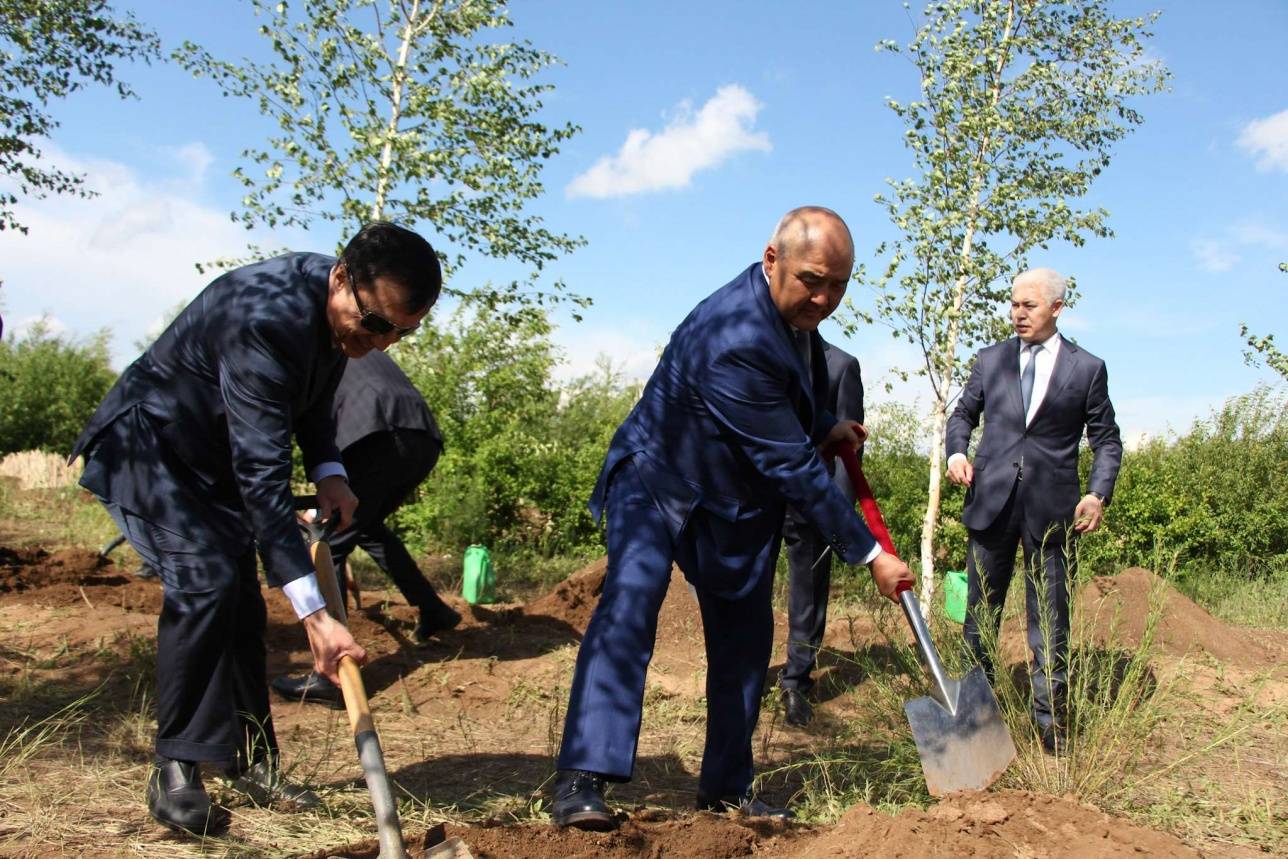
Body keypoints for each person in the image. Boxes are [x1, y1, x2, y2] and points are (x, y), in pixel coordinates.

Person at [69, 222, 441, 836]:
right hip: (151, 448)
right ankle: (177, 768)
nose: (383, 344)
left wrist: (329, 471)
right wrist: (315, 616)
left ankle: (250, 761)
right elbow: (261, 475)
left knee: (239, 599)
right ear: (342, 279)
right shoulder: (264, 318)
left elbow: (314, 397)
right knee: (206, 582)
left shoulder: (335, 308)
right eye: (377, 325)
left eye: (403, 332)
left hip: (208, 460)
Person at [549, 207, 914, 830]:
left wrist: (824, 423)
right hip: (657, 479)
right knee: (631, 605)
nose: (824, 299)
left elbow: (789, 394)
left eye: (838, 286)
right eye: (812, 280)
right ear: (771, 260)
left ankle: (723, 792)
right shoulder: (735, 336)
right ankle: (582, 781)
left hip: (732, 497)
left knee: (745, 639)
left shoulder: (789, 315)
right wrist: (871, 553)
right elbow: (794, 469)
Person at [945, 267, 1122, 753]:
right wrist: (956, 452)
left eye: (1029, 305)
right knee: (979, 615)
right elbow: (962, 414)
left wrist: (1097, 493)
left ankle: (1050, 722)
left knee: (1050, 619)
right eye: (1014, 304)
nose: (1017, 313)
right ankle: (973, 719)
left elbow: (1106, 439)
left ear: (1057, 308)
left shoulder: (1086, 368)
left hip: (1053, 510)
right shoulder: (991, 360)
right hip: (991, 505)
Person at [270, 349, 459, 707]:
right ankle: (434, 610)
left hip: (374, 431)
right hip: (420, 435)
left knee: (329, 545)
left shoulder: (301, 342)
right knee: (365, 526)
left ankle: (335, 674)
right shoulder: (343, 333)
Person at [778, 339, 863, 727]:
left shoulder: (842, 365)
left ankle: (796, 680)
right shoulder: (764, 350)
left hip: (812, 497)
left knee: (808, 591)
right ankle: (744, 671)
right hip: (757, 496)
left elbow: (849, 450)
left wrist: (838, 511)